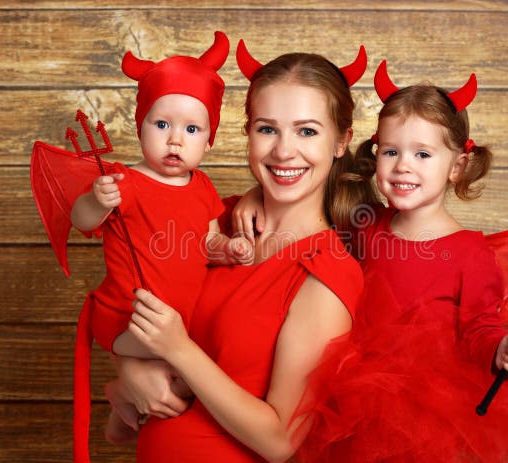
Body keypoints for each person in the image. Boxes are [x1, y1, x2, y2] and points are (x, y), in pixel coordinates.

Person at [290, 61, 508, 462]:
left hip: (427, 411)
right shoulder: (366, 224)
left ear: (457, 167)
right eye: (391, 151)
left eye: (422, 154)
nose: (403, 165)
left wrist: (499, 351)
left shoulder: (470, 253)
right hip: (354, 395)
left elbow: (480, 327)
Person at [108, 40, 373, 462]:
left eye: (307, 131)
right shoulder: (215, 221)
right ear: (247, 132)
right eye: (267, 129)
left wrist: (178, 350)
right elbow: (132, 300)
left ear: (341, 141)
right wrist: (130, 374)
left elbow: (281, 441)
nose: (284, 151)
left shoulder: (326, 273)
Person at [67, 31, 254, 462]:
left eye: (191, 129)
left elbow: (208, 243)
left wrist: (229, 249)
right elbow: (82, 222)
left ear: (208, 141)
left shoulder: (203, 186)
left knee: (191, 379)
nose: (175, 139)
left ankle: (123, 408)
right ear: (140, 127)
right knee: (197, 363)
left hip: (173, 323)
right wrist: (96, 201)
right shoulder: (123, 182)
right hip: (128, 314)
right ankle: (126, 390)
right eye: (162, 124)